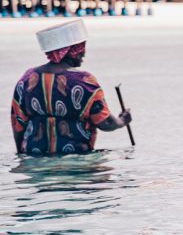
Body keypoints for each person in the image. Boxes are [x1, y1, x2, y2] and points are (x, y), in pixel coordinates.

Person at [11, 19, 132, 155]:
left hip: (35, 159)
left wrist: (20, 154)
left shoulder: (27, 78)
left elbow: (18, 123)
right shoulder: (84, 81)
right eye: (80, 49)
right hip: (76, 159)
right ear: (71, 51)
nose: (83, 54)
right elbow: (106, 123)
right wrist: (122, 121)